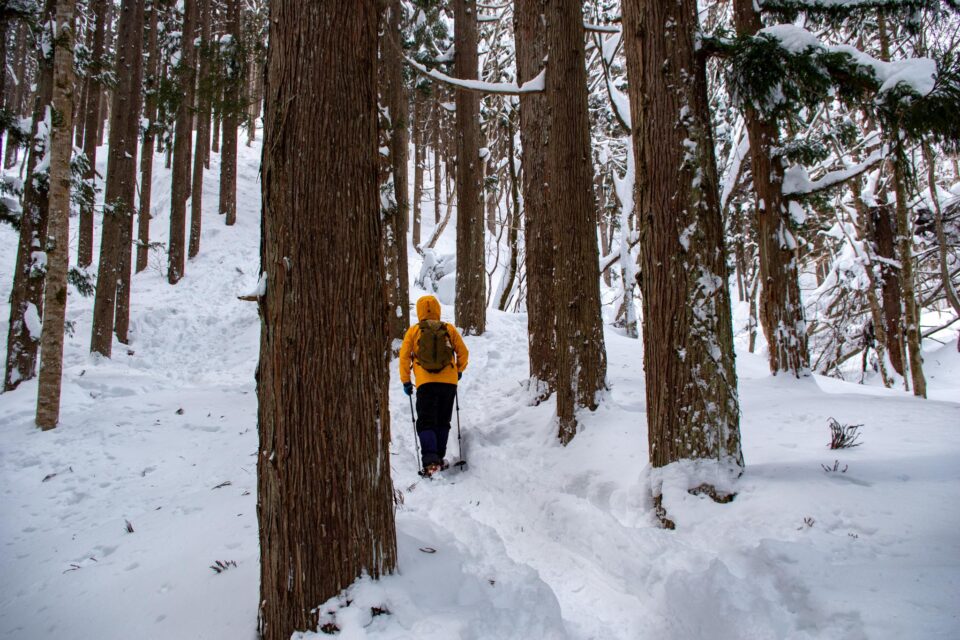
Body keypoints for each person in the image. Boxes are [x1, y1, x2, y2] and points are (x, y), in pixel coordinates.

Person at [399, 295, 469, 476]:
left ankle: (430, 461)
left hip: (425, 383)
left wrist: (406, 381)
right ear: (437, 310)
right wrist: (458, 371)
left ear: (420, 311)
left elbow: (405, 357)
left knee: (426, 420)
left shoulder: (414, 330)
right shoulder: (448, 329)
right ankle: (439, 457)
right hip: (448, 383)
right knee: (443, 420)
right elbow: (463, 352)